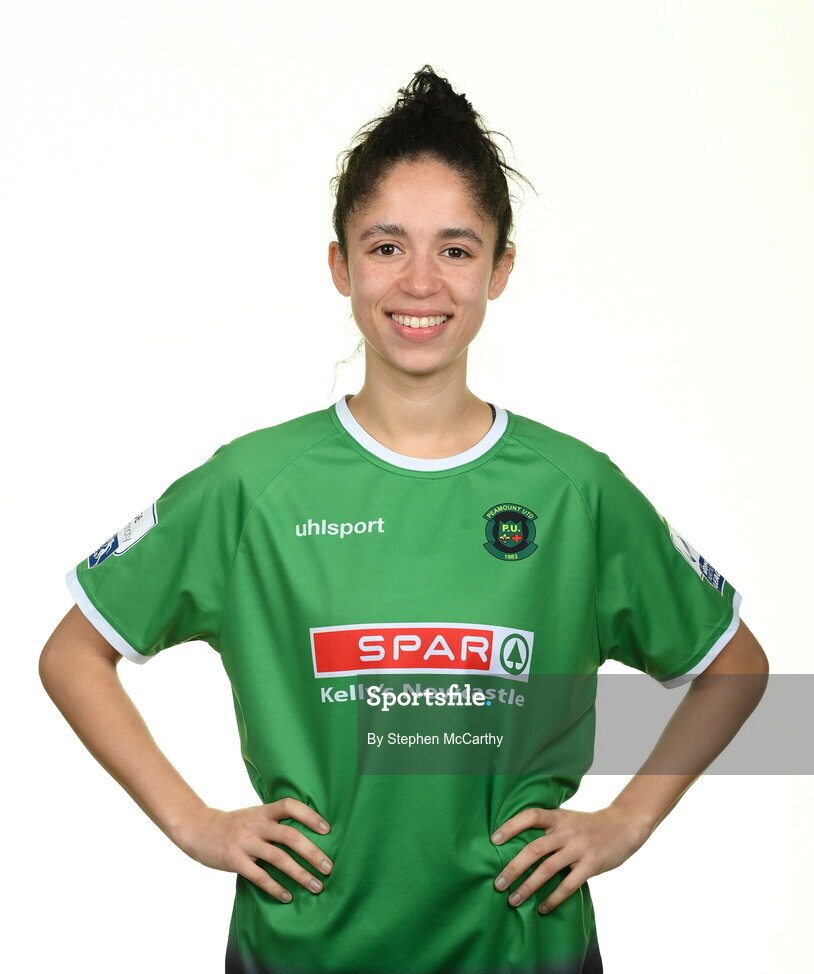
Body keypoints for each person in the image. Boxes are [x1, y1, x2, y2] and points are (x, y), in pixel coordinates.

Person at [40, 66, 769, 974]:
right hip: (300, 953)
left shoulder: (573, 490)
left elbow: (737, 667)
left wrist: (627, 820)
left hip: (524, 953)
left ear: (500, 269)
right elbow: (71, 654)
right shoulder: (255, 486)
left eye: (456, 250)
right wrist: (195, 823)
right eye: (387, 246)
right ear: (341, 265)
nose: (420, 281)